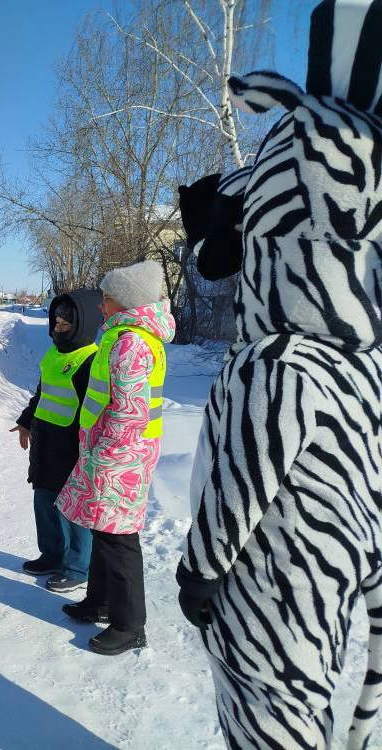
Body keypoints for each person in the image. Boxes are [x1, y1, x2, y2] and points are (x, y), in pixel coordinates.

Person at [178, 2, 382, 746]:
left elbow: (242, 478)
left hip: (265, 598)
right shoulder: (363, 362)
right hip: (324, 593)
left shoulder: (279, 360)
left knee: (267, 729)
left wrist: (197, 570)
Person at [59, 260, 174, 655]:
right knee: (103, 530)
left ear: (125, 302)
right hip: (115, 450)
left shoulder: (131, 341)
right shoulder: (124, 335)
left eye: (107, 298)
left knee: (118, 537)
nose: (101, 305)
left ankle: (129, 625)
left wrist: (107, 452)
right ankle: (101, 601)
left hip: (121, 454)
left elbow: (129, 409)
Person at [12, 290, 101, 592]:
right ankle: (52, 555)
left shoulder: (91, 360)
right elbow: (42, 394)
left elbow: (96, 409)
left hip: (74, 446)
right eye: (55, 323)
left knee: (75, 510)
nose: (56, 330)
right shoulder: (53, 354)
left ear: (81, 325)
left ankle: (78, 568)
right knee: (44, 501)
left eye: (64, 325)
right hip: (46, 442)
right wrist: (26, 421)